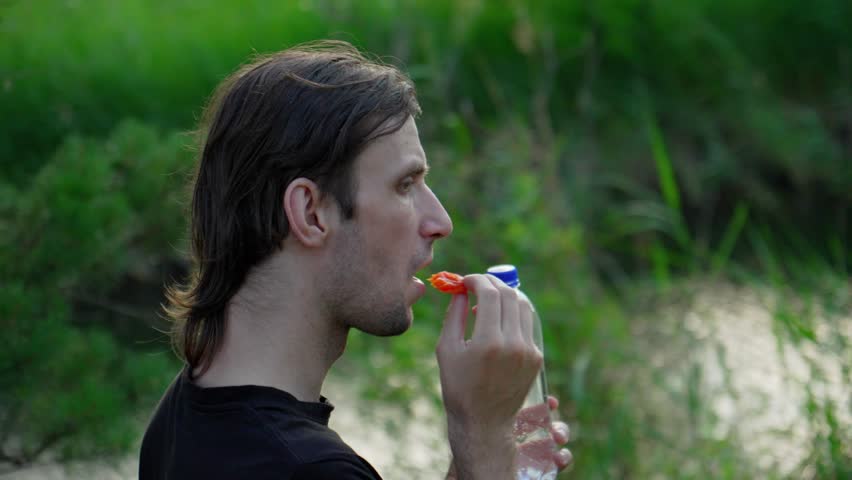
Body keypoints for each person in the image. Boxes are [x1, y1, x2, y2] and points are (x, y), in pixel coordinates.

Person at [139, 40, 573, 479]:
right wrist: (481, 434)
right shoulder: (311, 469)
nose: (441, 221)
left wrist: (479, 455)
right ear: (311, 213)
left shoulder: (183, 414)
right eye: (405, 185)